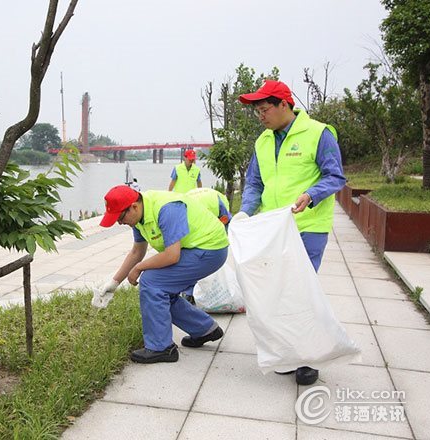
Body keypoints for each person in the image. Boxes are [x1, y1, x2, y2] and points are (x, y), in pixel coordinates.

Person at [232, 79, 346, 385]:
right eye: (257, 111)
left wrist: (311, 195)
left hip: (308, 227)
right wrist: (245, 210)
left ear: (285, 105)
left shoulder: (318, 133)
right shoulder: (263, 142)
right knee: (279, 292)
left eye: (264, 109)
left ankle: (308, 359)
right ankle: (288, 352)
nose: (260, 116)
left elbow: (336, 176)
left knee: (302, 293)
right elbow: (255, 182)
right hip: (274, 229)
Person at [95, 185, 229, 364]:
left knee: (152, 282)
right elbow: (137, 252)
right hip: (195, 248)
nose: (120, 223)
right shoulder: (139, 216)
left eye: (120, 217)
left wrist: (139, 268)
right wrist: (114, 282)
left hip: (209, 249)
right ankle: (204, 329)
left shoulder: (167, 209)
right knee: (161, 287)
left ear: (134, 206)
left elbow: (172, 256)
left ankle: (161, 348)